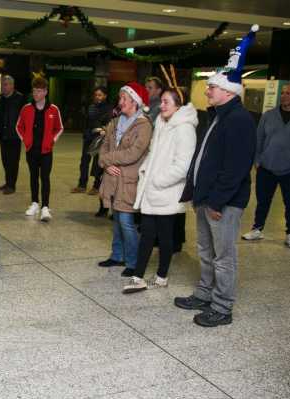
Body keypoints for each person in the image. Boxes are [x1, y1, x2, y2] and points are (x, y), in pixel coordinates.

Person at [175, 26, 258, 327]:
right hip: (205, 197)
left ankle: (222, 307)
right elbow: (205, 158)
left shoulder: (239, 120)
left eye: (211, 87)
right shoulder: (217, 116)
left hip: (222, 202)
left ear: (227, 91)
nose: (207, 90)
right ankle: (205, 293)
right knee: (205, 250)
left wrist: (217, 202)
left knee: (224, 256)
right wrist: (195, 191)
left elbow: (236, 168)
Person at [123, 88, 197, 293]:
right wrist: (145, 170)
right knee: (147, 235)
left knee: (165, 238)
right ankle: (138, 276)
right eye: (161, 102)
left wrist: (158, 181)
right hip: (152, 191)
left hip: (167, 192)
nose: (161, 106)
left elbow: (183, 166)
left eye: (166, 102)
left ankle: (161, 276)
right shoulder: (162, 123)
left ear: (178, 105)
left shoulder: (184, 128)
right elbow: (153, 154)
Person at [97, 82, 152, 277]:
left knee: (127, 223)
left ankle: (133, 262)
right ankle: (117, 255)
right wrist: (105, 164)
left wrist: (108, 159)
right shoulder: (115, 122)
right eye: (120, 98)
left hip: (128, 182)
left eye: (123, 99)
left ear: (135, 102)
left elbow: (133, 154)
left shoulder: (143, 125)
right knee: (117, 221)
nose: (120, 102)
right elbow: (103, 146)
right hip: (113, 179)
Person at [242, 84, 290, 247]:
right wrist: (257, 161)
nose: (284, 96)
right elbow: (258, 139)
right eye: (282, 93)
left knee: (289, 202)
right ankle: (257, 229)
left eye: (288, 93)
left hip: (288, 170)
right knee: (263, 201)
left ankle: (289, 233)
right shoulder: (268, 115)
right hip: (266, 168)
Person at [16, 77, 64, 222]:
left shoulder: (53, 109)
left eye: (39, 91)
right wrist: (25, 140)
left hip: (46, 151)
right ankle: (35, 203)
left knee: (45, 178)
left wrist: (52, 141)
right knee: (33, 177)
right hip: (31, 150)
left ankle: (45, 207)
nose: (36, 94)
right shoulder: (26, 108)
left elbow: (59, 127)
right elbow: (18, 126)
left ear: (45, 92)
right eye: (34, 91)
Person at [71, 86, 113, 195]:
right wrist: (85, 133)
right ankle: (82, 185)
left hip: (100, 139)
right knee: (84, 162)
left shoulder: (109, 108)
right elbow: (87, 121)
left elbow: (107, 123)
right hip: (89, 138)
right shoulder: (91, 107)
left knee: (97, 164)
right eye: (96, 95)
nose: (97, 97)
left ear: (105, 96)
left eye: (100, 95)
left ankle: (96, 186)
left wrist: (102, 129)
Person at [0, 75, 25, 194]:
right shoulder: (0, 97)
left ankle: (12, 186)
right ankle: (8, 182)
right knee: (5, 160)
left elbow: (24, 117)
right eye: (2, 84)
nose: (3, 87)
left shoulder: (20, 98)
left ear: (12, 85)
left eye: (6, 84)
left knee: (13, 161)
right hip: (3, 134)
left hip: (14, 135)